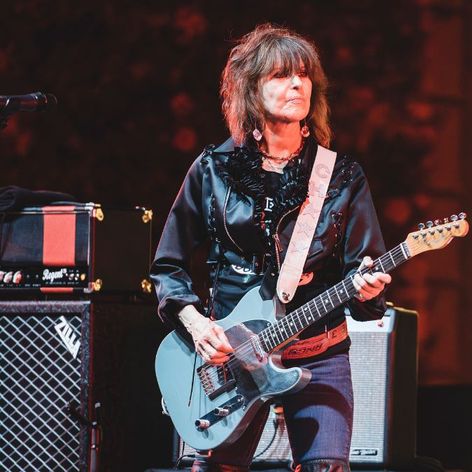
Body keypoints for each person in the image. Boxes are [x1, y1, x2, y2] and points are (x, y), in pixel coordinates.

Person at [150, 23, 391, 472]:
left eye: (304, 75)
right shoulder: (213, 170)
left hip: (319, 354)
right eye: (281, 75)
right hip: (230, 364)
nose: (297, 83)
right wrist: (197, 325)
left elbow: (365, 278)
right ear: (251, 90)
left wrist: (369, 290)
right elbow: (168, 266)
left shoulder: (340, 178)